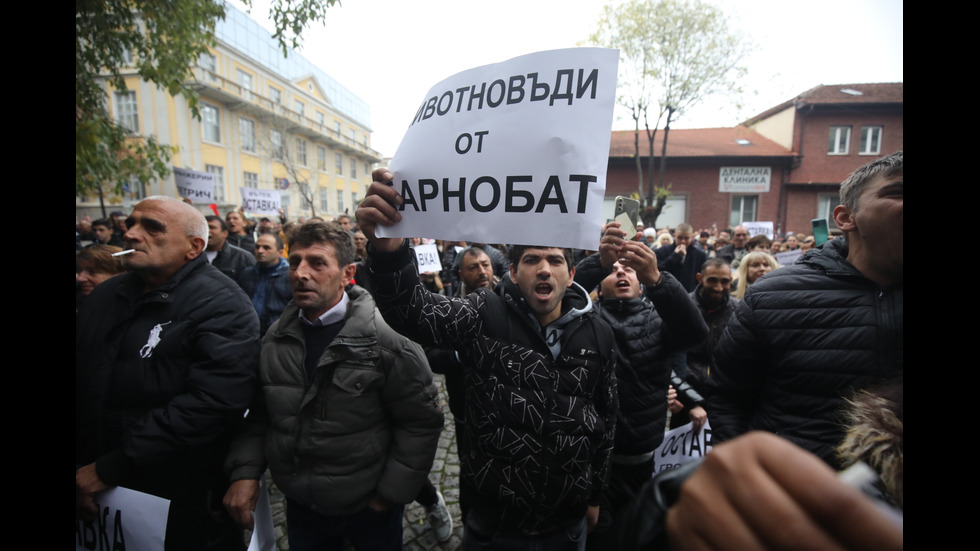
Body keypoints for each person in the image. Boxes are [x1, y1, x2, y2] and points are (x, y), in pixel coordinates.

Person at [357, 168, 618, 549]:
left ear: (571, 273)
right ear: (511, 272)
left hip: (568, 521)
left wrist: (596, 495)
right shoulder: (483, 313)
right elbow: (412, 312)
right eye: (531, 259)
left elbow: (606, 420)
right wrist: (389, 251)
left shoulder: (599, 333)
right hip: (495, 523)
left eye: (555, 260)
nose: (544, 268)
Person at [222, 221, 445, 551]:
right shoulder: (273, 340)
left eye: (317, 263)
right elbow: (261, 415)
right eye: (295, 261)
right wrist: (245, 472)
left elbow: (420, 423)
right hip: (302, 508)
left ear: (347, 273)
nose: (300, 273)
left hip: (369, 510)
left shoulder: (388, 342)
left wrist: (387, 497)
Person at [76, 196, 260, 551]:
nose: (130, 233)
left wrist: (110, 468)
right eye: (131, 223)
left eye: (152, 227)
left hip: (176, 495)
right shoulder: (105, 296)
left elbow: (213, 402)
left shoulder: (222, 304)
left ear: (193, 247)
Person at [705, 151, 903, 466]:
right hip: (791, 500)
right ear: (846, 217)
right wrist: (746, 476)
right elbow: (728, 399)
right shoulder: (771, 298)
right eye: (898, 192)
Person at [573, 223, 707, 551]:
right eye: (613, 270)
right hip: (595, 464)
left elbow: (694, 333)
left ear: (640, 282)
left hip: (644, 459)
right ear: (599, 288)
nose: (622, 272)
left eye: (629, 269)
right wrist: (596, 262)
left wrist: (659, 280)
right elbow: (553, 300)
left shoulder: (659, 319)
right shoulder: (582, 321)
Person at [667, 258, 736, 431]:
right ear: (700, 278)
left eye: (725, 281)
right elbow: (670, 358)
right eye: (712, 280)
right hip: (686, 398)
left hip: (725, 399)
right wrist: (686, 399)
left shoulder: (739, 310)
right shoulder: (682, 307)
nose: (718, 288)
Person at [238, 232, 292, 336]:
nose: (260, 251)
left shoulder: (290, 276)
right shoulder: (247, 274)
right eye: (257, 247)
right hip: (249, 332)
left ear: (280, 252)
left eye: (267, 248)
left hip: (278, 334)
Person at [653, 223, 707, 292]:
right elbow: (657, 271)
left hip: (690, 294)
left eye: (686, 238)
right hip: (667, 293)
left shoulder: (700, 255)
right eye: (680, 238)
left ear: (692, 237)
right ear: (675, 236)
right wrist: (675, 256)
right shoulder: (662, 251)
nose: (683, 241)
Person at [205, 215, 256, 285]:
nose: (208, 231)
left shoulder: (243, 257)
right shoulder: (191, 255)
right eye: (205, 228)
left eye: (212, 227)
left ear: (225, 233)